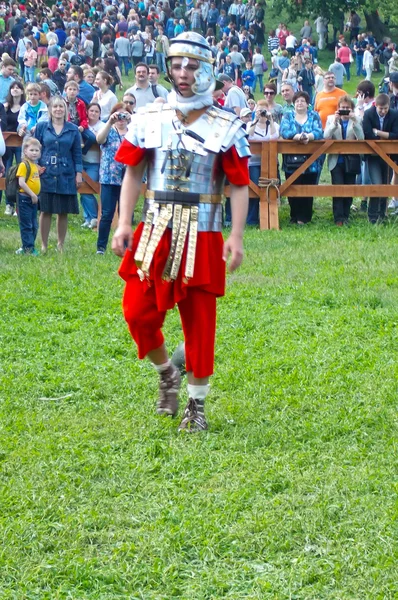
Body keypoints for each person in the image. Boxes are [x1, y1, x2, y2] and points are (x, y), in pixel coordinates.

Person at [111, 32, 249, 432]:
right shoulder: (150, 117)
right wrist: (123, 222)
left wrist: (236, 236)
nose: (183, 72)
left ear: (207, 70)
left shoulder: (226, 125)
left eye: (191, 65)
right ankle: (167, 374)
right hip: (155, 228)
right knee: (137, 312)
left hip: (203, 232)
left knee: (199, 323)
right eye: (176, 64)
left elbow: (239, 184)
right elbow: (133, 170)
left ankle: (196, 405)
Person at [34, 96, 83, 252]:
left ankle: (60, 245)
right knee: (45, 210)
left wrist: (79, 174)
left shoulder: (73, 129)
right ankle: (43, 245)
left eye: (61, 106)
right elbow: (35, 149)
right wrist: (35, 167)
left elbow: (77, 153)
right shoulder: (42, 127)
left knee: (63, 211)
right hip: (46, 173)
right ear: (50, 110)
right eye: (55, 107)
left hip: (66, 173)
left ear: (65, 109)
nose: (58, 109)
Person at [280, 91, 323, 224]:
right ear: (294, 104)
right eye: (297, 101)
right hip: (291, 160)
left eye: (302, 101)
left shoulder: (314, 116)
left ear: (307, 104)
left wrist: (307, 137)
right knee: (292, 187)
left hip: (311, 159)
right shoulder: (287, 116)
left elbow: (319, 131)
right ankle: (294, 216)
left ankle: (305, 217)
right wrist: (297, 137)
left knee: (307, 187)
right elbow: (284, 130)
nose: (300, 103)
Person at [96, 102, 133, 255]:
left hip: (128, 179)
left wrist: (134, 121)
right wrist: (110, 122)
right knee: (107, 213)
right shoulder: (109, 130)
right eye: (118, 115)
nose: (121, 118)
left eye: (124, 115)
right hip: (109, 178)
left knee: (127, 213)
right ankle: (101, 247)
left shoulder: (133, 131)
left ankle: (125, 246)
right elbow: (99, 139)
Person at [324, 95, 364, 225]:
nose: (345, 110)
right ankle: (338, 218)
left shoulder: (356, 119)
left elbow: (361, 138)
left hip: (351, 160)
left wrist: (355, 121)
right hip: (336, 160)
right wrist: (335, 123)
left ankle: (346, 215)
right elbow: (326, 136)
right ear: (338, 109)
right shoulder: (331, 119)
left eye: (347, 108)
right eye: (342, 108)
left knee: (349, 189)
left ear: (352, 109)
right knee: (337, 189)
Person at [363, 93, 398, 223]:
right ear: (375, 106)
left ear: (389, 107)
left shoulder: (394, 114)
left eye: (385, 108)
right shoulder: (368, 114)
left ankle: (382, 214)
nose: (383, 111)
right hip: (373, 155)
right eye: (380, 108)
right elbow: (367, 133)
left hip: (389, 155)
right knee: (377, 184)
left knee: (385, 184)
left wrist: (377, 132)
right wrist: (384, 138)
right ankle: (372, 215)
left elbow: (396, 135)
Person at [246, 99, 279, 225]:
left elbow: (274, 138)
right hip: (253, 162)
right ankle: (252, 219)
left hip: (270, 162)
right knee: (254, 190)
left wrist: (270, 121)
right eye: (260, 110)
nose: (262, 113)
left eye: (264, 110)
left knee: (269, 189)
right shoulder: (250, 124)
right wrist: (255, 120)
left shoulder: (274, 125)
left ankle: (270, 217)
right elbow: (248, 136)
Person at [15, 137, 42, 255]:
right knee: (27, 225)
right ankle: (28, 249)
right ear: (25, 151)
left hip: (33, 199)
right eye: (32, 150)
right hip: (25, 198)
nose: (34, 153)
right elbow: (21, 182)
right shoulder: (23, 165)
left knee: (34, 225)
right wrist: (32, 194)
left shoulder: (35, 166)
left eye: (37, 150)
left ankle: (28, 246)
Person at [3, 81, 25, 216]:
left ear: (22, 91)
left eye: (18, 88)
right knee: (7, 173)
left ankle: (19, 204)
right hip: (7, 144)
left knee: (20, 173)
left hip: (21, 143)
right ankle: (8, 204)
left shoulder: (25, 107)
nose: (15, 90)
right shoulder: (6, 107)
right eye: (13, 88)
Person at [80, 102, 103, 229]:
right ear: (87, 112)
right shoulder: (83, 125)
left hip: (94, 163)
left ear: (100, 114)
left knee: (88, 188)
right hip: (82, 162)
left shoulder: (102, 126)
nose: (93, 113)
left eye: (96, 111)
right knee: (81, 189)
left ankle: (94, 216)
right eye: (91, 111)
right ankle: (87, 218)